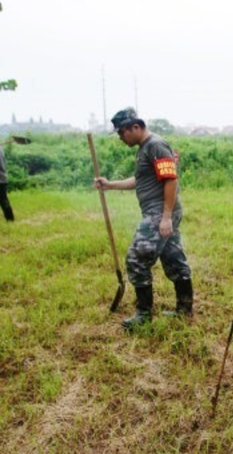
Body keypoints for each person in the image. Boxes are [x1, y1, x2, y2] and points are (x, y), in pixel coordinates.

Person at [93, 108, 194, 330]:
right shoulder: (144, 149)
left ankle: (143, 314)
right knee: (173, 258)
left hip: (160, 213)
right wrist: (109, 184)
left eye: (122, 133)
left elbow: (170, 180)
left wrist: (166, 217)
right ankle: (185, 309)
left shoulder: (156, 145)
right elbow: (139, 181)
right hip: (160, 213)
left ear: (135, 127)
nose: (121, 138)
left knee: (136, 259)